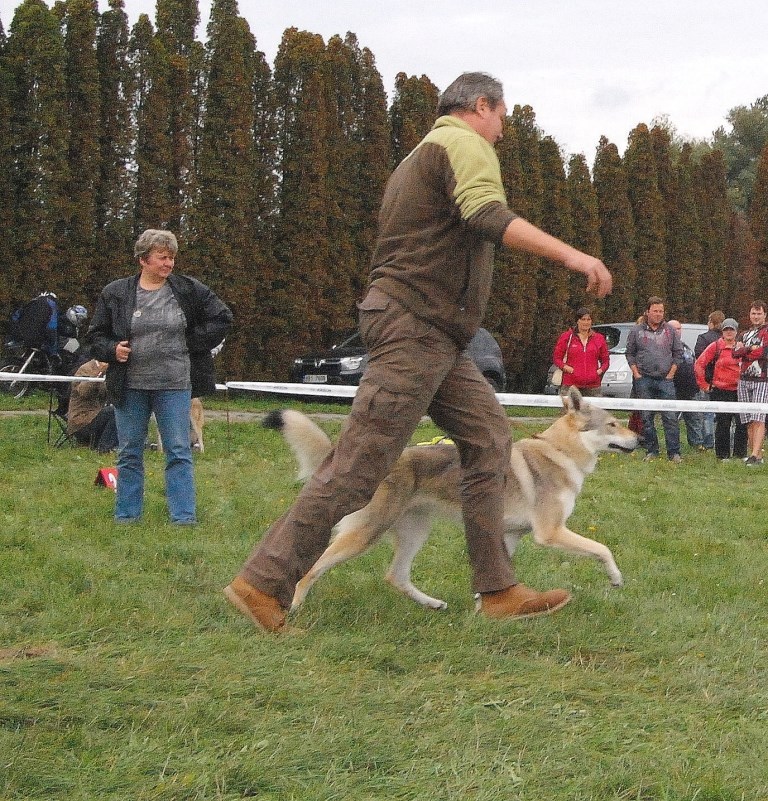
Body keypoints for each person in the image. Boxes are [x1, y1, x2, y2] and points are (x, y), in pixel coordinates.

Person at [224, 72, 613, 633]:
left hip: (434, 337)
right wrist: (575, 257)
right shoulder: (463, 142)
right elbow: (487, 214)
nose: (502, 132)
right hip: (415, 331)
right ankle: (262, 581)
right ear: (480, 106)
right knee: (359, 466)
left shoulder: (417, 159)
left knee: (489, 441)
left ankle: (497, 587)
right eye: (502, 117)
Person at [88, 229, 233, 523]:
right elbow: (94, 337)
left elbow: (222, 318)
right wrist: (112, 350)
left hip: (174, 386)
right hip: (130, 387)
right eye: (162, 257)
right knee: (129, 453)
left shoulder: (189, 290)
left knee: (178, 451)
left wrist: (190, 341)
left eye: (172, 258)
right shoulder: (115, 293)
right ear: (143, 260)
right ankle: (126, 517)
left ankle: (184, 518)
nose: (169, 264)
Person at [626, 297, 683, 463]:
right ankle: (652, 451)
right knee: (646, 417)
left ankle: (674, 453)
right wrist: (636, 373)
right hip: (644, 379)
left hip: (666, 380)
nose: (658, 314)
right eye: (655, 311)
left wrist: (671, 373)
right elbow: (630, 353)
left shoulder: (670, 331)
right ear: (647, 312)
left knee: (670, 417)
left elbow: (678, 353)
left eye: (661, 311)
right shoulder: (636, 331)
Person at [694, 318, 747, 461]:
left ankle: (740, 454)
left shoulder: (742, 347)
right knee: (723, 423)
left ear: (737, 331)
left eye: (732, 329)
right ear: (722, 331)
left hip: (740, 390)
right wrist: (704, 385)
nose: (729, 332)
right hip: (721, 390)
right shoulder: (715, 346)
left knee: (742, 423)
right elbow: (699, 364)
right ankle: (722, 455)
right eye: (726, 329)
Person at [732, 301, 768, 466]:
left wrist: (746, 351)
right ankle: (755, 455)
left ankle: (755, 454)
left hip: (762, 378)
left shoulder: (766, 331)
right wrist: (749, 349)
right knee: (747, 418)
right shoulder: (743, 334)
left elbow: (764, 352)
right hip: (744, 379)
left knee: (759, 416)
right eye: (753, 313)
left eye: (759, 313)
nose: (756, 316)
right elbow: (735, 352)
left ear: (764, 315)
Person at [552, 307, 609, 397]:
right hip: (570, 385)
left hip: (593, 386)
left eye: (588, 319)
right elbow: (557, 359)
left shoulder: (599, 338)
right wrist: (568, 369)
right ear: (577, 321)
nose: (586, 322)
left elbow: (605, 361)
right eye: (583, 319)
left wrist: (598, 371)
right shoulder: (567, 337)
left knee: (592, 411)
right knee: (570, 411)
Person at [66, 358, 118, 453]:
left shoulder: (109, 370)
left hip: (95, 417)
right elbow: (84, 392)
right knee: (112, 411)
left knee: (120, 410)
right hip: (81, 422)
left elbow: (106, 394)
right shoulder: (85, 369)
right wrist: (99, 373)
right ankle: (104, 448)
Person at [667, 319, 704, 449]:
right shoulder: (664, 348)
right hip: (673, 389)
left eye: (679, 328)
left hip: (691, 389)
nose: (677, 331)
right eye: (674, 329)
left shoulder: (685, 347)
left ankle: (697, 445)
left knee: (695, 419)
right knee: (671, 421)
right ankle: (672, 446)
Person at [694, 310, 725, 450]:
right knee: (725, 415)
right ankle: (724, 441)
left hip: (707, 381)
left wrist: (703, 382)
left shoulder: (703, 338)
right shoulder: (727, 339)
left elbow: (699, 359)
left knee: (707, 413)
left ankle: (708, 442)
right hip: (724, 382)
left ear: (711, 322)